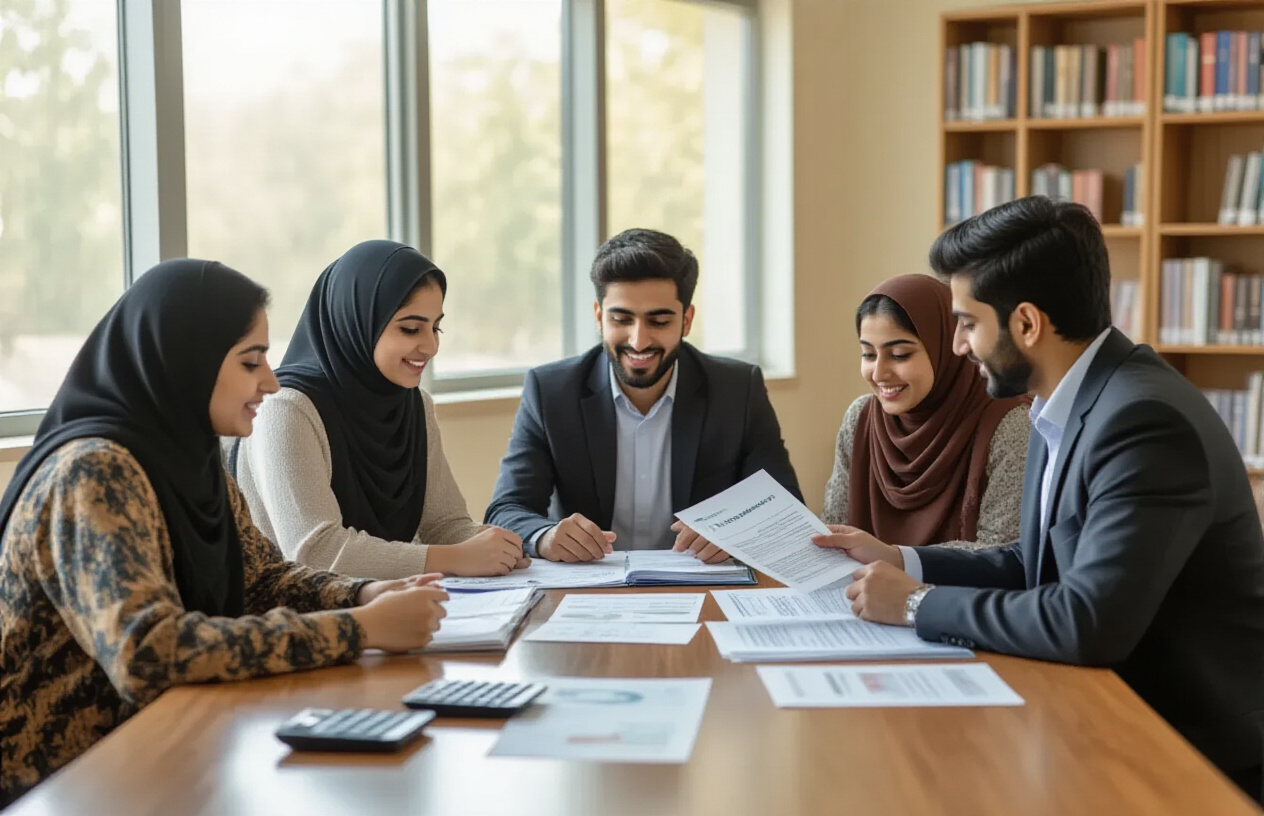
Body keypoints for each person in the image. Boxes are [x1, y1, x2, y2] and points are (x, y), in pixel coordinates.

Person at [814, 197, 1264, 799]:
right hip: (1095, 712)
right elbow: (1034, 564)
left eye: (969, 324)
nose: (958, 348)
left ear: (1026, 324)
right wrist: (903, 560)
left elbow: (1086, 621)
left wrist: (918, 603)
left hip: (1181, 750)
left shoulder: (1142, 421)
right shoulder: (1069, 401)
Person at [0, 260, 448, 805]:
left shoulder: (189, 458)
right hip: (62, 785)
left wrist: (362, 594)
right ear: (187, 362)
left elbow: (261, 579)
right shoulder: (94, 472)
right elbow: (150, 652)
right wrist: (357, 628)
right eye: (250, 361)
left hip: (163, 753)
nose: (271, 381)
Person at [485, 227, 801, 564]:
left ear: (686, 320)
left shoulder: (738, 389)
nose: (639, 341)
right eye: (621, 319)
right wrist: (544, 536)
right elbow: (506, 509)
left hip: (700, 584)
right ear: (598, 317)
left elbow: (785, 505)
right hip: (590, 588)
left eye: (659, 321)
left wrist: (737, 530)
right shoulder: (550, 392)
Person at [232, 240, 527, 579]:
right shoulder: (286, 409)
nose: (431, 346)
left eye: (436, 327)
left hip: (391, 605)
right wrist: (456, 558)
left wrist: (502, 547)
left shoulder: (415, 406)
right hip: (298, 619)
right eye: (411, 328)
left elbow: (445, 524)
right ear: (357, 321)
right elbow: (316, 553)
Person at [823, 274, 1028, 549]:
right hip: (858, 590)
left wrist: (893, 560)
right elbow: (835, 525)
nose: (879, 373)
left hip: (959, 592)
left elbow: (1003, 552)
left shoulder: (1009, 424)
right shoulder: (860, 417)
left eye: (899, 355)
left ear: (945, 347)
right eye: (868, 355)